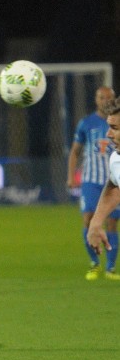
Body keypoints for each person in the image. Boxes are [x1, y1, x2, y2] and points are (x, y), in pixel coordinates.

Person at [67, 86, 119, 280]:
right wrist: (71, 176)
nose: (108, 135)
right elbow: (75, 151)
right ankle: (95, 263)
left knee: (112, 222)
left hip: (109, 178)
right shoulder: (86, 124)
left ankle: (110, 267)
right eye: (101, 97)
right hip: (91, 179)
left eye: (108, 97)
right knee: (88, 219)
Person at [87, 97, 120, 259]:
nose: (108, 134)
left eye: (114, 128)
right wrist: (97, 221)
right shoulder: (116, 159)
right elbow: (114, 185)